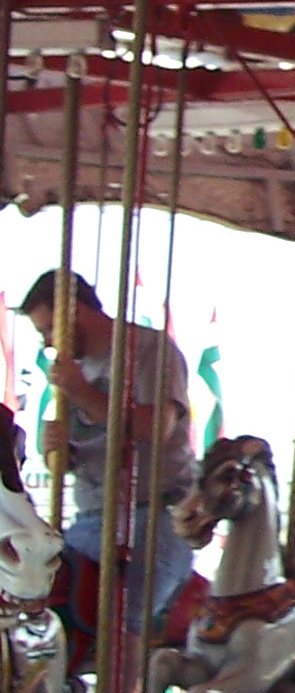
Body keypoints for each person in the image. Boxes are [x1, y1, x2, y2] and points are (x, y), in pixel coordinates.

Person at [21, 269, 198, 644]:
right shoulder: (73, 371)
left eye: (50, 329)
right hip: (91, 521)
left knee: (120, 620)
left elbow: (154, 427)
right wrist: (55, 450)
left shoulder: (149, 350)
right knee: (36, 609)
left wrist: (82, 393)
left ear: (75, 311)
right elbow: (71, 457)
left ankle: (119, 682)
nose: (49, 342)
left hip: (152, 518)